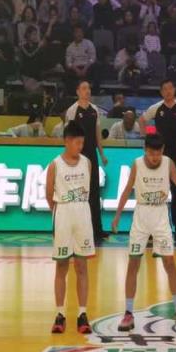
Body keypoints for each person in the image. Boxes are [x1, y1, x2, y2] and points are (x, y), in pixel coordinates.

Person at [111, 134, 176, 331]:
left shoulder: (168, 163)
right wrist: (117, 216)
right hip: (141, 215)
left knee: (170, 263)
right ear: (145, 150)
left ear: (162, 151)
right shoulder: (137, 164)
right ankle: (128, 313)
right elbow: (127, 190)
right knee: (133, 263)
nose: (155, 157)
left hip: (161, 215)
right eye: (151, 153)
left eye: (158, 153)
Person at [45, 121, 95, 334]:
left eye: (82, 143)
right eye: (77, 143)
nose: (80, 146)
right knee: (62, 266)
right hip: (63, 214)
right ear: (66, 141)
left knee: (82, 266)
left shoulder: (87, 163)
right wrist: (60, 213)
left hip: (82, 214)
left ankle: (82, 314)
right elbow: (49, 195)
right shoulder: (55, 165)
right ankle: (60, 314)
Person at [139, 80, 176, 244]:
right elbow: (142, 120)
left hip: (175, 153)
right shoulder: (156, 108)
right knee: (155, 191)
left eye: (170, 88)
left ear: (174, 90)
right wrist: (148, 139)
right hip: (158, 155)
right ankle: (151, 231)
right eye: (165, 89)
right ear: (161, 92)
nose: (168, 91)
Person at [65, 81, 108, 243]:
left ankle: (97, 229)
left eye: (89, 88)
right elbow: (68, 135)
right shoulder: (72, 110)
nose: (87, 91)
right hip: (78, 156)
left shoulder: (94, 110)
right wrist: (69, 156)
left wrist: (102, 154)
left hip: (92, 155)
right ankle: (75, 228)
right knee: (78, 192)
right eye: (84, 88)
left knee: (94, 192)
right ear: (77, 91)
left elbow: (97, 134)